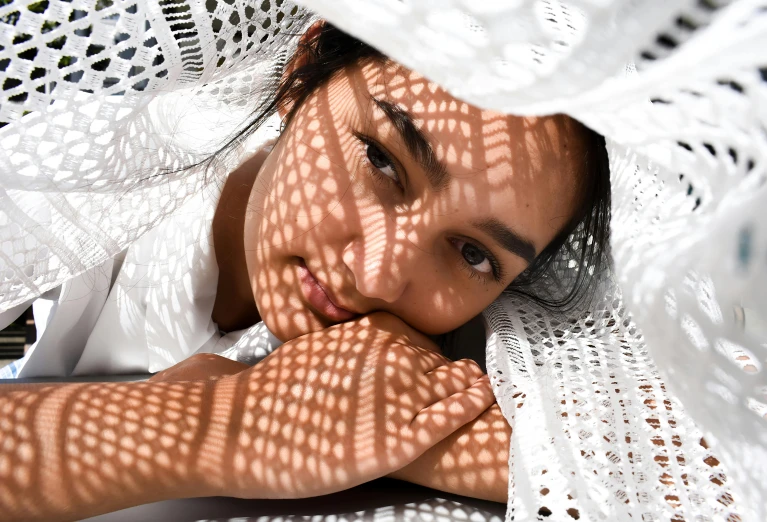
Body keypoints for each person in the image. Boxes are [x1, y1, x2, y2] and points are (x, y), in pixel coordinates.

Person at [0, 21, 610, 521]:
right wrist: (220, 422)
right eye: (381, 160)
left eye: (473, 254)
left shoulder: (497, 339)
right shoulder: (82, 174)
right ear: (300, 76)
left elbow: (678, 480)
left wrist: (399, 421)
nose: (376, 276)